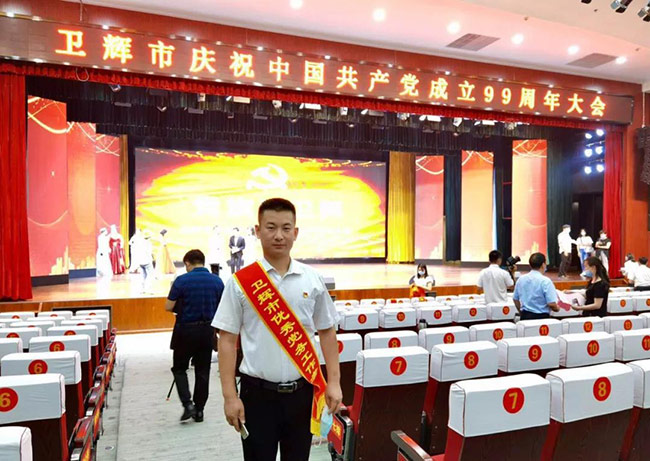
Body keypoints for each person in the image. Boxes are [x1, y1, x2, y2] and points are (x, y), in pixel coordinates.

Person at [213, 198, 342, 461]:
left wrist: (334, 383)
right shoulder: (241, 283)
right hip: (256, 397)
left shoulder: (312, 279)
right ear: (257, 231)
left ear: (295, 232)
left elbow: (327, 332)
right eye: (271, 227)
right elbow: (226, 341)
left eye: (286, 228)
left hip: (302, 395)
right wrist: (230, 397)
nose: (279, 236)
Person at [165, 249, 224, 423]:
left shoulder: (181, 280)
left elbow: (168, 306)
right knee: (203, 371)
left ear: (188, 263)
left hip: (185, 331)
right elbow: (223, 307)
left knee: (179, 368)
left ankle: (187, 404)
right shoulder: (217, 281)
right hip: (207, 330)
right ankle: (199, 411)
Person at [513, 253, 560, 319]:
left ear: (530, 265)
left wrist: (520, 312)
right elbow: (551, 304)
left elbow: (515, 299)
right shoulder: (546, 281)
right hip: (541, 317)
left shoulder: (521, 279)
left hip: (525, 316)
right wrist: (558, 308)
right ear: (543, 264)